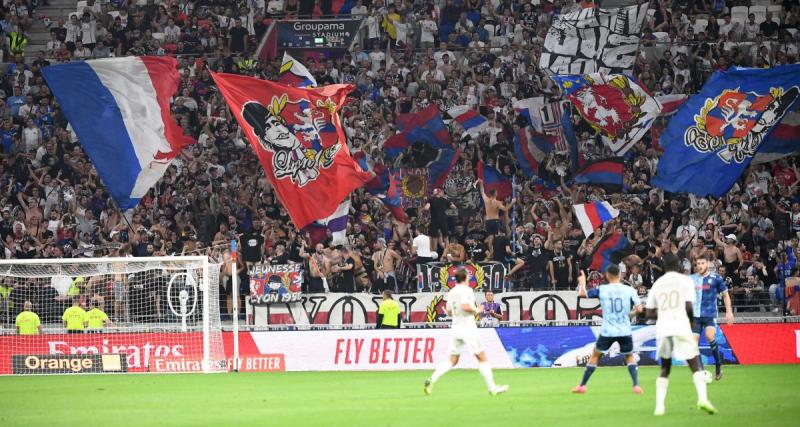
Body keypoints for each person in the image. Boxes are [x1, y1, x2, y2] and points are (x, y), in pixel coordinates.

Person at [646, 253, 716, 416]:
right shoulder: (685, 281)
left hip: (663, 328)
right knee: (695, 364)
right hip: (681, 326)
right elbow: (689, 307)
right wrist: (691, 322)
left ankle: (659, 407)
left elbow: (649, 314)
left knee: (665, 368)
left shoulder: (658, 284)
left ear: (664, 267)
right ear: (678, 266)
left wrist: (664, 312)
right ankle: (703, 399)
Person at [423, 268, 509, 396]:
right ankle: (492, 388)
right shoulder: (466, 290)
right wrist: (478, 309)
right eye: (468, 276)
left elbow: (450, 312)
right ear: (465, 278)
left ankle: (432, 379)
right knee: (482, 357)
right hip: (467, 327)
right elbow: (465, 307)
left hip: (456, 328)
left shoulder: (451, 292)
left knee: (452, 360)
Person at [572, 265, 643, 394]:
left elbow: (582, 294)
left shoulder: (602, 289)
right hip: (625, 330)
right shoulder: (629, 290)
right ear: (620, 275)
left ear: (607, 276)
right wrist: (629, 315)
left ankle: (582, 386)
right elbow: (639, 309)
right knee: (629, 356)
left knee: (595, 355)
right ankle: (636, 385)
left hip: (608, 331)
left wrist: (582, 282)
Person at [690, 254, 734, 380]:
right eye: (698, 264)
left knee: (710, 336)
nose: (700, 266)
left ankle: (718, 365)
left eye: (702, 263)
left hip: (709, 314)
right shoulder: (692, 279)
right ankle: (701, 370)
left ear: (708, 264)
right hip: (695, 316)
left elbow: (725, 295)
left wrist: (729, 312)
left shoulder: (716, 278)